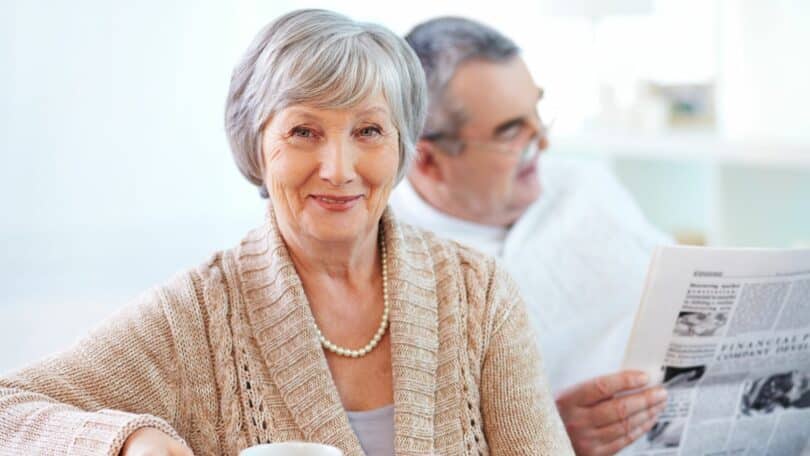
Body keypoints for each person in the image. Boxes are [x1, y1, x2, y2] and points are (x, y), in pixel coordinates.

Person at [0, 9, 573, 456]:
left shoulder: (480, 293)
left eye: (369, 130)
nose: (340, 167)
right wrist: (123, 438)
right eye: (304, 131)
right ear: (256, 144)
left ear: (403, 147)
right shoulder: (196, 315)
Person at [390, 17, 671, 455]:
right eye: (510, 132)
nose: (542, 142)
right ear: (427, 160)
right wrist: (542, 437)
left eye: (537, 113)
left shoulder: (587, 186)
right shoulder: (388, 262)